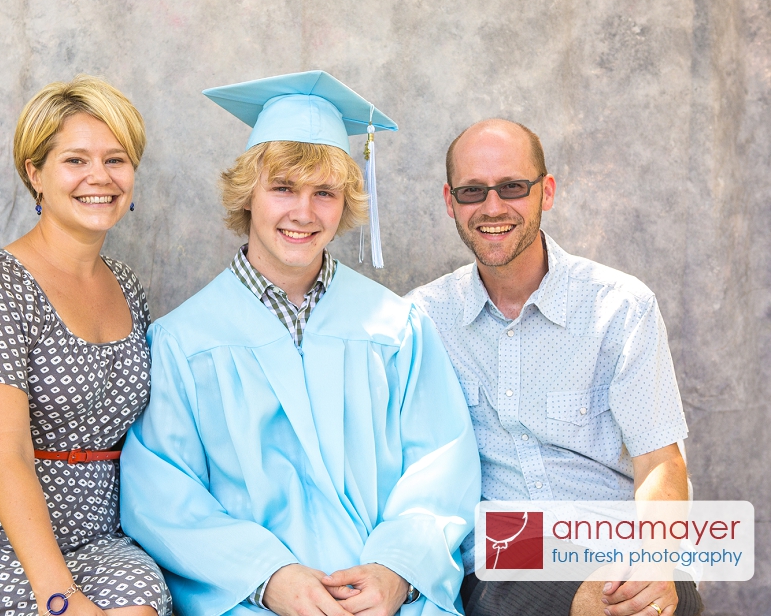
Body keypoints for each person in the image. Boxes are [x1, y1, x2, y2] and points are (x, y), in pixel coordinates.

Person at [119, 70, 481, 616]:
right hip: (251, 600)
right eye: (283, 187)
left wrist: (395, 570)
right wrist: (268, 577)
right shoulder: (184, 341)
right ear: (248, 195)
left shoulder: (394, 327)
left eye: (324, 193)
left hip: (389, 599)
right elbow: (164, 497)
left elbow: (441, 463)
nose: (304, 213)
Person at [0, 75, 171, 616]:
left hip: (96, 538)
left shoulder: (126, 284)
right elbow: (9, 457)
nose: (101, 177)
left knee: (139, 605)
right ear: (35, 174)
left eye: (116, 159)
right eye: (76, 161)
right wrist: (58, 596)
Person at [406, 119, 703, 616]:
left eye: (513, 187)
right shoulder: (423, 320)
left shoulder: (621, 308)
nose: (493, 206)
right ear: (450, 201)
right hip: (501, 556)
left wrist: (653, 560)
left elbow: (661, 463)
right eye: (473, 191)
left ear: (546, 191)